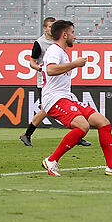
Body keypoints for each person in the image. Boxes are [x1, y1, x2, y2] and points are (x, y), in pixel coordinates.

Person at [40, 20, 112, 177]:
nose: (74, 37)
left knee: (103, 123)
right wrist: (75, 64)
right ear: (64, 34)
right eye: (72, 32)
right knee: (82, 126)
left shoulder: (61, 52)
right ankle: (51, 160)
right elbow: (51, 70)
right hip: (54, 99)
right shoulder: (54, 51)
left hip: (65, 98)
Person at [20, 17, 90, 148]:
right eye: (50, 26)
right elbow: (32, 61)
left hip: (57, 81)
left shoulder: (58, 44)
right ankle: (28, 134)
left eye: (54, 26)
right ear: (45, 28)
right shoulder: (40, 43)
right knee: (46, 109)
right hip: (45, 81)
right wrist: (40, 68)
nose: (52, 28)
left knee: (46, 109)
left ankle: (77, 133)